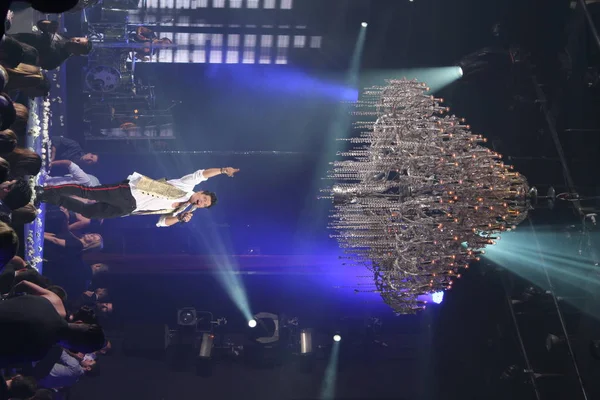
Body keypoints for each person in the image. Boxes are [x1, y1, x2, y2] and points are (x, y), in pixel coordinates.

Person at [37, 166, 239, 226]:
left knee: (89, 212)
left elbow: (162, 222)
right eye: (204, 198)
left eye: (204, 205)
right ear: (201, 192)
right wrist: (222, 170)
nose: (201, 202)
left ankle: (50, 198)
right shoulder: (187, 187)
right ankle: (46, 191)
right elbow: (201, 174)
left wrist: (178, 218)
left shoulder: (182, 208)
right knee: (88, 192)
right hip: (129, 192)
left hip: (128, 209)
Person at [0, 280, 106, 366]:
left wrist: (7, 300)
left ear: (79, 322)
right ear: (70, 347)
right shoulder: (38, 351)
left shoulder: (47, 302)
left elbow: (23, 284)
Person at [9, 20, 92, 70]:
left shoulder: (57, 60)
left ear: (77, 53)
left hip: (11, 54)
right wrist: (50, 24)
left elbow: (34, 64)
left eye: (77, 46)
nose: (75, 42)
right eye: (77, 40)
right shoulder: (62, 36)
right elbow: (40, 24)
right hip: (15, 38)